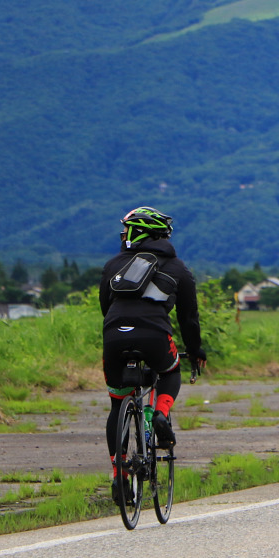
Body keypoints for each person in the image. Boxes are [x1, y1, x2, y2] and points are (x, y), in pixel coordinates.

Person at [100, 206, 206, 505]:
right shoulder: (178, 268)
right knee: (170, 371)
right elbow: (189, 319)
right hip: (156, 336)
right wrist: (195, 351)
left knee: (117, 403)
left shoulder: (113, 265)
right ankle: (160, 413)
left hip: (114, 336)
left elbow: (105, 307)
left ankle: (118, 473)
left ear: (134, 233)